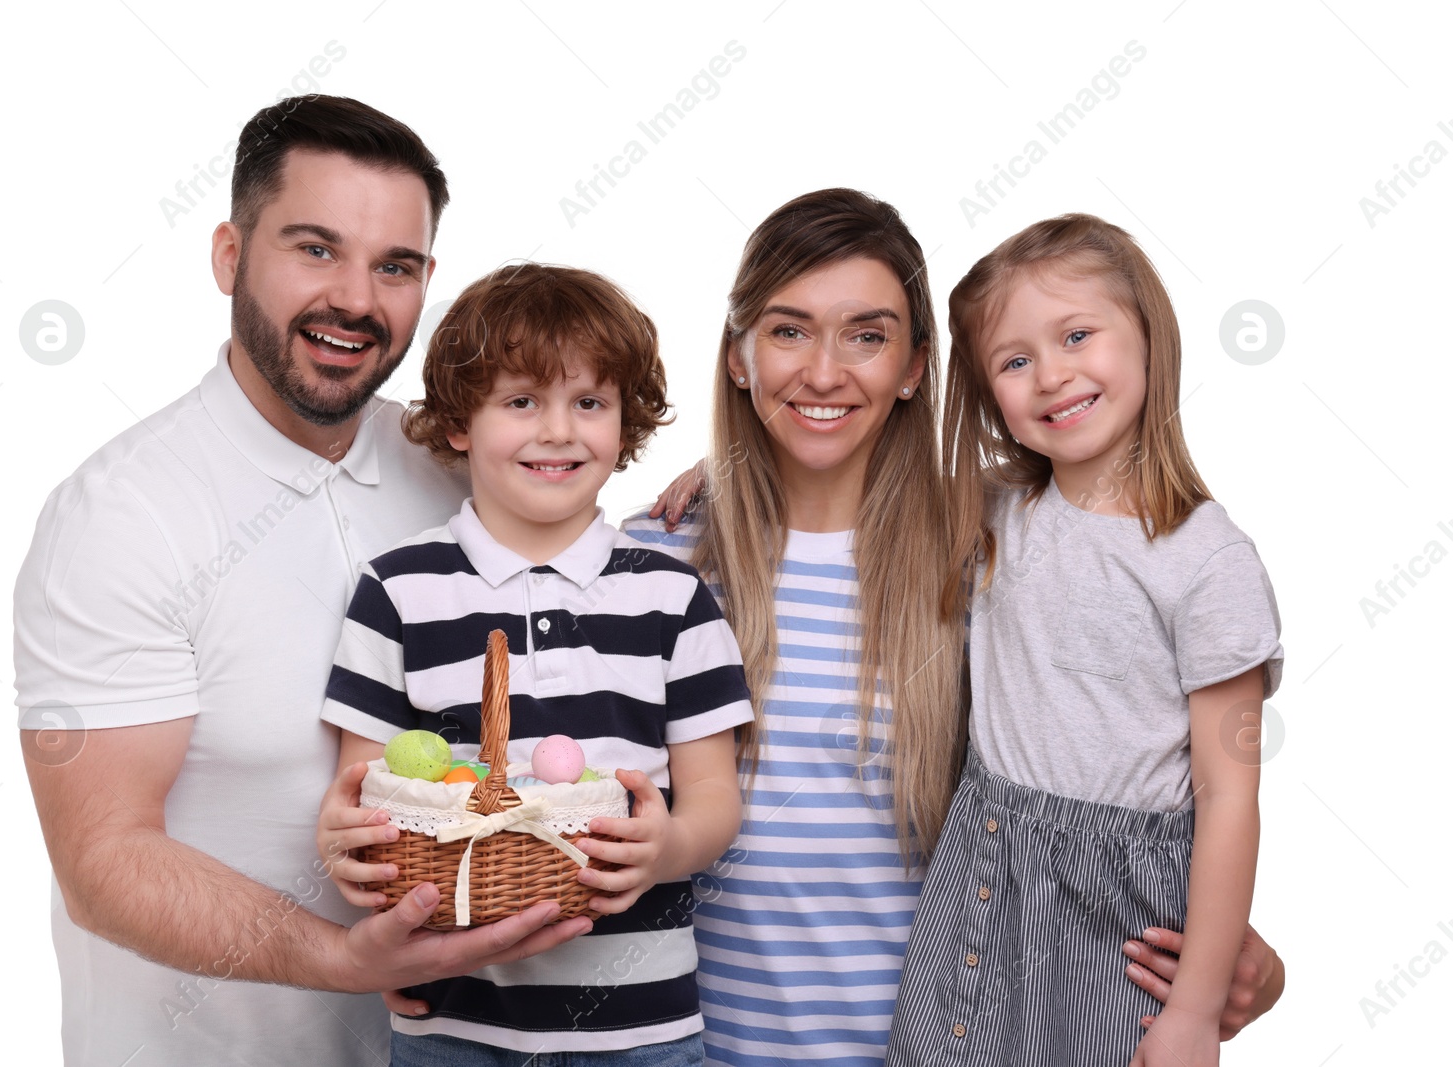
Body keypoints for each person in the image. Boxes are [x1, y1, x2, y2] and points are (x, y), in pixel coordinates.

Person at [637, 189, 1287, 1066]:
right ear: (739, 357)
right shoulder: (650, 564)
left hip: (955, 1029)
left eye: (866, 335)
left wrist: (1230, 972)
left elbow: (1137, 761)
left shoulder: (975, 543)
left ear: (915, 367)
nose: (824, 372)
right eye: (788, 331)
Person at [13, 96, 588, 1067]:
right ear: (230, 255)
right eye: (315, 248)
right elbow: (103, 861)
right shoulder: (121, 515)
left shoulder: (454, 474)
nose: (356, 299)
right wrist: (341, 955)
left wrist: (697, 498)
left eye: (393, 265)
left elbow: (599, 567)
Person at [316, 263, 753, 1065]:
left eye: (589, 402)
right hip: (454, 1023)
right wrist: (349, 847)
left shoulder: (671, 595)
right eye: (522, 401)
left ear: (625, 423)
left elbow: (715, 797)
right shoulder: (399, 589)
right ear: (458, 423)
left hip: (640, 1028)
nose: (558, 431)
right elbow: (371, 791)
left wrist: (668, 846)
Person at [885, 215, 1281, 1067]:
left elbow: (1228, 797)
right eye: (1015, 360)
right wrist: (719, 473)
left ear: (1147, 331)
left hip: (1121, 912)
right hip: (981, 877)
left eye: (1076, 335)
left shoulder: (1207, 561)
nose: (1052, 374)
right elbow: (853, 473)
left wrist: (1196, 1008)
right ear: (990, 395)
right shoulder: (993, 513)